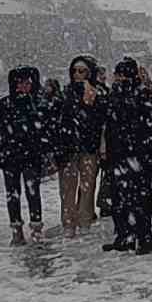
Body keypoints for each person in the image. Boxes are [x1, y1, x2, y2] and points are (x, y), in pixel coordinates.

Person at [102, 58, 152, 254]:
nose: (120, 79)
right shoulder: (118, 96)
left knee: (137, 198)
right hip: (123, 155)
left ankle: (141, 236)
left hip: (136, 155)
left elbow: (150, 128)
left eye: (123, 75)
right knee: (121, 198)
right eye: (118, 75)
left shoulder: (139, 97)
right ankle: (126, 236)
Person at [0, 65, 49, 245]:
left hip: (31, 155)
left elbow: (46, 129)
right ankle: (16, 228)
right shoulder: (4, 105)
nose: (23, 87)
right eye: (19, 83)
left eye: (27, 83)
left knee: (33, 192)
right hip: (10, 156)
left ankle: (36, 227)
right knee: (12, 193)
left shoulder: (38, 103)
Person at [54, 55, 105, 238]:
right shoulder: (65, 93)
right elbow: (58, 120)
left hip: (89, 147)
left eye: (82, 71)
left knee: (87, 186)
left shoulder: (96, 94)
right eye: (75, 70)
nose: (77, 74)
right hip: (68, 148)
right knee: (67, 188)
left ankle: (84, 221)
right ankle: (68, 223)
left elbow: (100, 121)